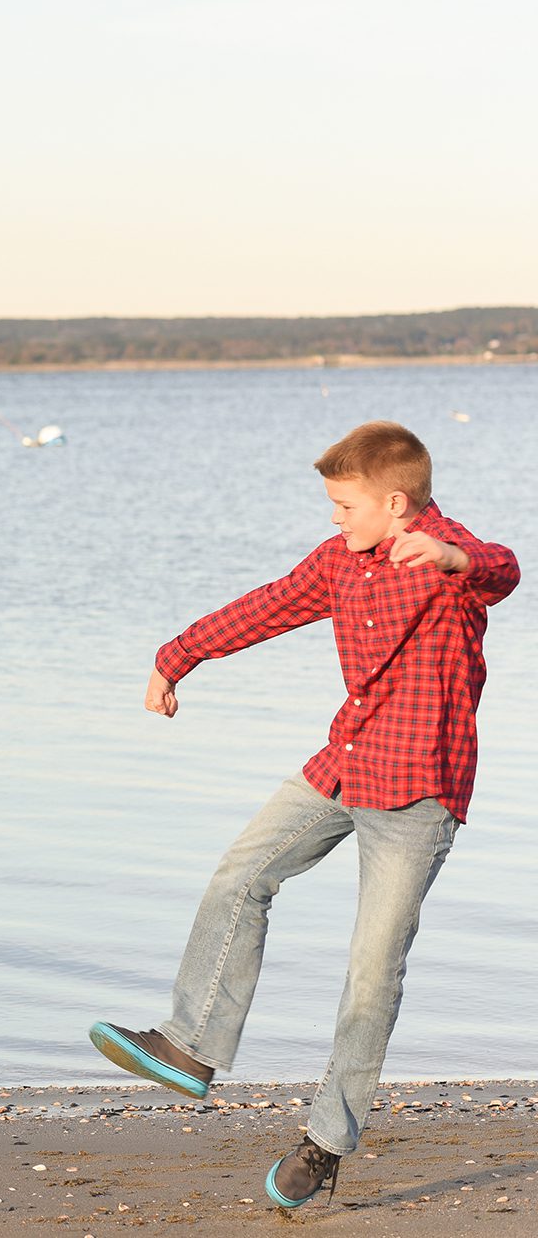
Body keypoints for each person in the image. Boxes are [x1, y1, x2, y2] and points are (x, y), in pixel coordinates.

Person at [89, 420, 518, 1209]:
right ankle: (191, 1046)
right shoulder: (339, 562)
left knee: (369, 975)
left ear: (396, 503)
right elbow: (269, 605)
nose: (332, 516)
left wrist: (458, 559)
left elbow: (503, 567)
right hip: (345, 761)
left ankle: (324, 1145)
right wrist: (174, 654)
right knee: (241, 874)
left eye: (344, 504)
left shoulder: (448, 556)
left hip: (420, 790)